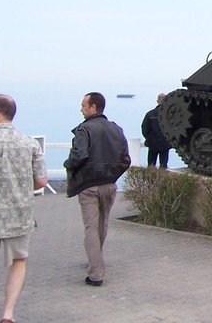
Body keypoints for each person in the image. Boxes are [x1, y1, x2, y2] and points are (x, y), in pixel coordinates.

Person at [64, 92, 130, 287]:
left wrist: (68, 164)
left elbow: (78, 156)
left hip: (89, 186)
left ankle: (96, 274)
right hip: (109, 185)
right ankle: (96, 261)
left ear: (93, 107)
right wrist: (112, 175)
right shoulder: (116, 129)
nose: (81, 109)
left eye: (83, 105)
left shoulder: (85, 129)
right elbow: (125, 159)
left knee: (91, 228)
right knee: (102, 225)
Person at [0, 94, 47, 323]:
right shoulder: (29, 143)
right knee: (19, 261)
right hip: (19, 213)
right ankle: (8, 314)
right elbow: (41, 181)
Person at [141, 93, 172, 169]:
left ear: (157, 101)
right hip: (165, 143)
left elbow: (144, 129)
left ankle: (151, 177)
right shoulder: (170, 115)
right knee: (163, 166)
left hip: (152, 142)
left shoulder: (150, 114)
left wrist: (149, 137)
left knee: (151, 165)